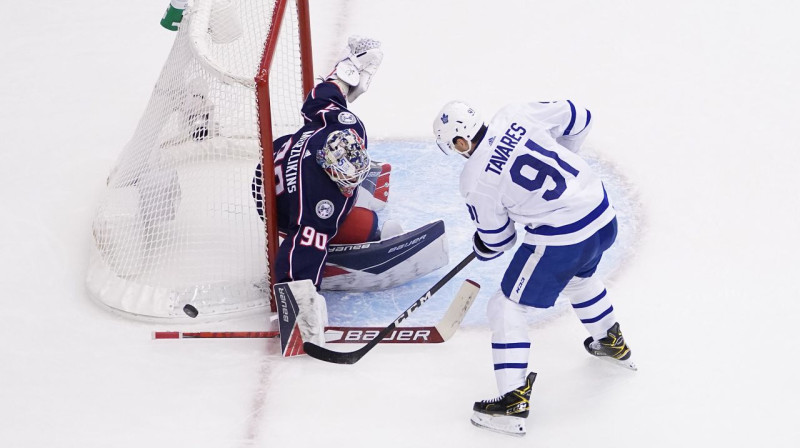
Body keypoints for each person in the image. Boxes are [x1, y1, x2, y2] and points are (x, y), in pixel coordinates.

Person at [432, 99, 635, 437]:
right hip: (601, 213)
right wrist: (567, 158)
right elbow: (579, 115)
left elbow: (499, 240)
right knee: (578, 277)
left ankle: (512, 402)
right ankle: (611, 341)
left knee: (505, 306)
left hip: (564, 236)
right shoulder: (515, 114)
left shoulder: (474, 179)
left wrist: (483, 244)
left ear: (461, 142)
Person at [251, 36, 384, 344]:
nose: (350, 181)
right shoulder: (321, 202)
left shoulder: (340, 125)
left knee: (364, 181)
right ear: (331, 169)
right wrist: (301, 301)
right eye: (346, 177)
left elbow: (321, 96)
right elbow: (302, 249)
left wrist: (347, 74)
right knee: (370, 228)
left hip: (275, 164)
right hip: (279, 205)